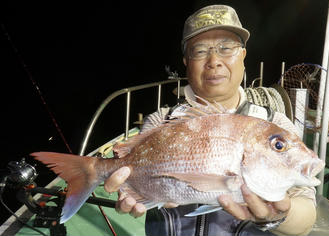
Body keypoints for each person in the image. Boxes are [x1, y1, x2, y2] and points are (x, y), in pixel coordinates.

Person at [104, 4, 317, 236]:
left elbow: (306, 219)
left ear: (243, 56)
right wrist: (129, 189)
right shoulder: (161, 121)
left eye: (226, 48)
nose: (214, 60)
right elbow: (135, 177)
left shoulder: (275, 124)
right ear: (186, 61)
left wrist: (279, 216)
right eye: (200, 50)